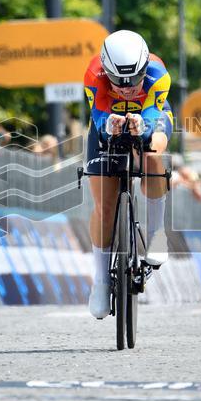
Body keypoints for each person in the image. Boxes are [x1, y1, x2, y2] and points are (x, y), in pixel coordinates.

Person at [83, 29, 173, 319]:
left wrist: (141, 126)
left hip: (149, 115)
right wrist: (108, 123)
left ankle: (157, 234)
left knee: (152, 152)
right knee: (104, 207)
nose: (126, 88)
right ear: (106, 72)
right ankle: (100, 280)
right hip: (108, 120)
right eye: (118, 83)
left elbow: (151, 119)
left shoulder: (159, 76)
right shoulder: (93, 75)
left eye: (134, 81)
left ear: (144, 70)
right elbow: (97, 115)